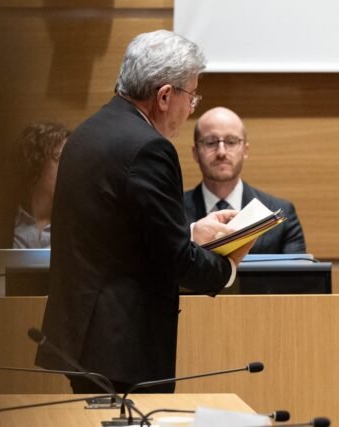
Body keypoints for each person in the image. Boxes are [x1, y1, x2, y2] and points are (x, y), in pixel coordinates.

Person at [36, 30, 254, 394]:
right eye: (191, 96)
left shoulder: (87, 133)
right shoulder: (149, 148)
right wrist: (228, 265)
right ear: (165, 96)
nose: (191, 108)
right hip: (123, 345)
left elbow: (116, 234)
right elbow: (175, 261)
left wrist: (190, 232)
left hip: (83, 338)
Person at [184, 106, 306, 254]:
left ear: (245, 151)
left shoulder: (281, 213)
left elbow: (297, 269)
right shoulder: (172, 211)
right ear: (195, 152)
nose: (221, 152)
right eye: (210, 142)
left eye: (231, 142)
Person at [11, 121, 70, 248]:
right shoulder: (0, 222)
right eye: (61, 158)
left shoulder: (78, 226)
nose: (70, 167)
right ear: (36, 161)